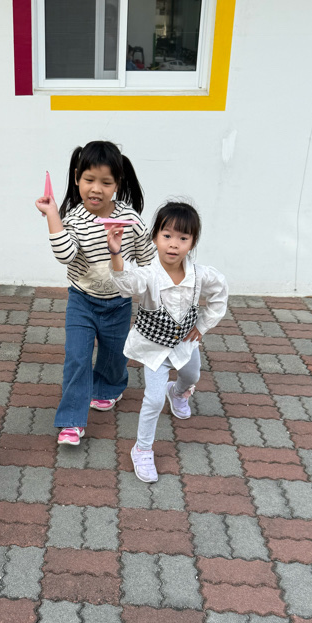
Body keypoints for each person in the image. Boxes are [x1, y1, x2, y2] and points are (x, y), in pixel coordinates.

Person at [35, 141, 154, 446]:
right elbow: (65, 255)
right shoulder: (73, 219)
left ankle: (108, 388)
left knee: (114, 355)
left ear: (118, 184)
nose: (96, 189)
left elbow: (148, 258)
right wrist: (52, 215)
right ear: (77, 177)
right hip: (82, 301)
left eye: (106, 182)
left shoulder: (130, 219)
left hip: (119, 303)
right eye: (89, 179)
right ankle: (71, 421)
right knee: (77, 358)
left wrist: (158, 292)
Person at [108, 201, 228, 482]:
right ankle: (142, 449)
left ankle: (178, 392)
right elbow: (126, 283)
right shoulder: (148, 274)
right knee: (152, 399)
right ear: (155, 238)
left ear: (192, 242)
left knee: (192, 375)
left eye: (183, 238)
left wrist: (202, 325)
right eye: (167, 236)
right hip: (154, 348)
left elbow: (220, 292)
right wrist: (115, 253)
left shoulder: (200, 275)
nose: (174, 244)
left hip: (184, 343)